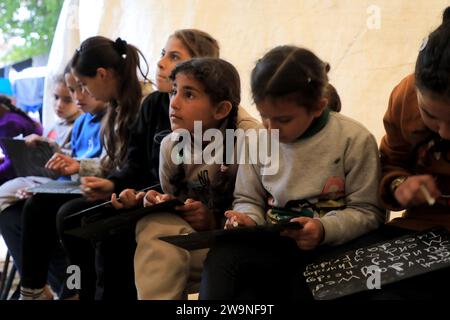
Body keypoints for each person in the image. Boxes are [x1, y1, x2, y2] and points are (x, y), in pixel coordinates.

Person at [199, 45, 385, 300]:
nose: (271, 127)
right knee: (223, 256)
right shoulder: (256, 140)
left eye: (283, 120)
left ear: (318, 107)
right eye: (264, 116)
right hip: (274, 244)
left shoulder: (354, 139)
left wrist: (322, 229)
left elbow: (369, 212)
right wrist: (247, 220)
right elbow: (248, 200)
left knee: (305, 285)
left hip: (333, 246)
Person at [56, 29, 221, 299]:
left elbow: (195, 182)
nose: (161, 62)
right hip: (144, 196)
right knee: (70, 216)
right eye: (162, 54)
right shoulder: (153, 104)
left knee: (112, 237)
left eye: (174, 56)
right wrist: (114, 184)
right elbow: (133, 164)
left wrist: (138, 192)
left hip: (171, 204)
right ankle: (74, 291)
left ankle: (77, 291)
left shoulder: (217, 123)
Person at [113, 58, 260, 299]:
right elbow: (179, 201)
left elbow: (260, 213)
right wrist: (152, 202)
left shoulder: (252, 140)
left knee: (158, 238)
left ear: (221, 110)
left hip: (241, 249)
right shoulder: (172, 145)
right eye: (173, 92)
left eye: (189, 95)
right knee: (153, 222)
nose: (174, 104)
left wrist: (213, 220)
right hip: (199, 243)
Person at [18, 70, 108, 300]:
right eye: (72, 90)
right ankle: (34, 288)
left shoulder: (111, 119)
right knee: (24, 208)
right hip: (76, 187)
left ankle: (74, 290)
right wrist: (45, 186)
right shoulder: (83, 122)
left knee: (62, 215)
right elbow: (69, 169)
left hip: (102, 189)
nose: (78, 96)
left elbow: (113, 167)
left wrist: (77, 168)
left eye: (83, 87)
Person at [0, 71, 82, 300]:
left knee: (37, 212)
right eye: (56, 97)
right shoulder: (54, 125)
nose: (59, 104)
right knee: (8, 218)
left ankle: (61, 289)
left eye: (68, 97)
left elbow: (78, 163)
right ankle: (39, 286)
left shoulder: (81, 124)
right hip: (45, 185)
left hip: (66, 189)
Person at [379, 7, 450, 232]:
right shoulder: (404, 97)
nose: (445, 133)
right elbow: (392, 162)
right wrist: (400, 184)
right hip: (421, 227)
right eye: (429, 115)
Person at [0, 96, 42, 184]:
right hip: (32, 168)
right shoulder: (13, 116)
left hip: (28, 173)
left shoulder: (7, 124)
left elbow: (14, 163)